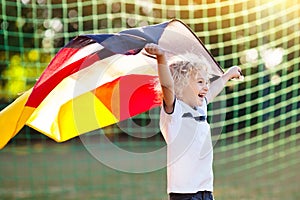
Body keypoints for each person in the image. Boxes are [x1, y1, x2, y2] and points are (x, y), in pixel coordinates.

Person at [144, 43, 242, 200]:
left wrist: (228, 75)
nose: (206, 87)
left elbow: (213, 90)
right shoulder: (174, 112)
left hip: (205, 190)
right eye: (200, 82)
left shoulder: (200, 107)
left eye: (206, 81)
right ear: (181, 84)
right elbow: (167, 85)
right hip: (184, 194)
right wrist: (161, 57)